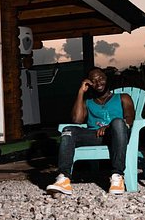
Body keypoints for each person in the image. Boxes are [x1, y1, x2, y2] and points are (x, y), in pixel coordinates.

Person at [46, 67, 135, 195]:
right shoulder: (88, 103)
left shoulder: (123, 97)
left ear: (106, 78)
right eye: (94, 81)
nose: (98, 83)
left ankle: (117, 177)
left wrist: (109, 127)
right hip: (95, 136)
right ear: (90, 84)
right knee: (68, 130)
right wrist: (81, 92)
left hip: (117, 134)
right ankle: (64, 179)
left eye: (101, 78)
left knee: (118, 122)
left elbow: (129, 119)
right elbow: (76, 120)